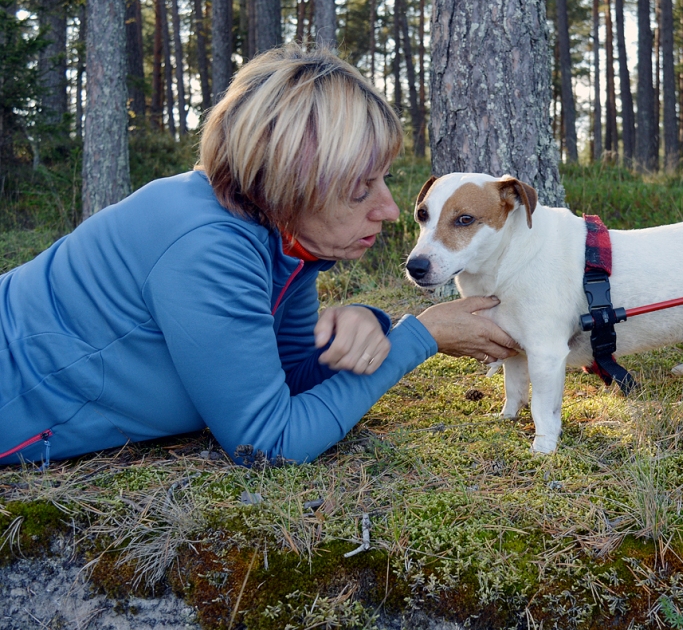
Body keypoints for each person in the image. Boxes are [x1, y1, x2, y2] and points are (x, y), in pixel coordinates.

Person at [0, 45, 518, 466]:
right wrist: (419, 337)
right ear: (292, 184)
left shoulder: (281, 241)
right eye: (361, 189)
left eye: (383, 180)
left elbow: (286, 378)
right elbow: (269, 444)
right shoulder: (206, 245)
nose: (388, 209)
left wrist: (370, 328)